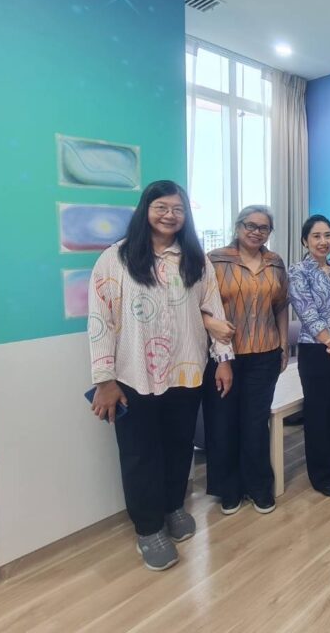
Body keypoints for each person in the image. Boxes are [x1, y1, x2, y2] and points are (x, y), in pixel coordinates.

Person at [88, 180, 234, 572]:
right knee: (140, 454)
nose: (170, 215)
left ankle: (172, 506)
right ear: (146, 210)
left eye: (178, 209)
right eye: (162, 207)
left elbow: (213, 312)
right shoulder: (116, 258)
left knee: (179, 446)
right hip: (134, 375)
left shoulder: (195, 259)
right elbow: (100, 321)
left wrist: (223, 359)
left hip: (186, 372)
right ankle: (148, 528)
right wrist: (105, 380)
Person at [200, 206, 288, 516]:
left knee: (255, 423)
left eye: (263, 228)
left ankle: (259, 487)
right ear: (237, 227)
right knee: (223, 422)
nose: (256, 232)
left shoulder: (275, 262)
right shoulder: (214, 260)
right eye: (250, 225)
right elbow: (198, 305)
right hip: (223, 356)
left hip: (265, 353)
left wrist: (283, 344)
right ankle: (229, 489)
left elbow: (281, 306)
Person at [288, 215, 330, 497]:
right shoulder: (298, 271)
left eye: (327, 235)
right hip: (315, 351)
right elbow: (307, 313)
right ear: (305, 241)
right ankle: (320, 474)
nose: (323, 241)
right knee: (318, 414)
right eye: (316, 236)